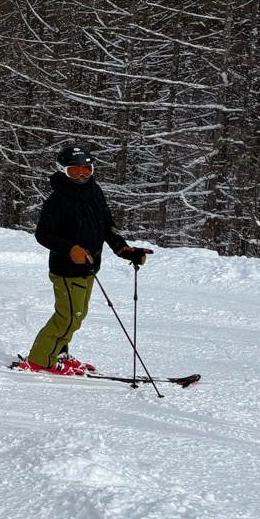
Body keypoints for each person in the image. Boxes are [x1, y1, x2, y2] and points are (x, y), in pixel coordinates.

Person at [17, 144, 153, 376]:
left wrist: (123, 249)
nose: (81, 175)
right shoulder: (57, 200)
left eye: (86, 170)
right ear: (63, 170)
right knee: (68, 318)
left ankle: (58, 353)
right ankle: (40, 360)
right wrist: (71, 249)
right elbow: (43, 234)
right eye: (75, 171)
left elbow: (106, 225)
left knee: (76, 315)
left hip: (89, 268)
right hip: (66, 270)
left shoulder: (94, 192)